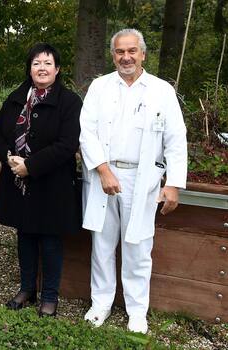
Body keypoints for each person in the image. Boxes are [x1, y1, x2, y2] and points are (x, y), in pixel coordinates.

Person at [79, 29, 187, 334]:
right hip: (103, 175)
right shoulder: (100, 87)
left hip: (143, 180)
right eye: (119, 52)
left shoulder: (161, 90)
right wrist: (102, 170)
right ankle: (100, 304)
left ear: (142, 54)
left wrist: (173, 184)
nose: (125, 57)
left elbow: (176, 139)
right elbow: (86, 132)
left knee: (138, 247)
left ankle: (137, 311)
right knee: (101, 244)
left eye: (131, 51)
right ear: (112, 54)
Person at [0, 43, 82, 317]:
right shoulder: (17, 97)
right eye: (36, 63)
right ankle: (27, 288)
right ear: (29, 68)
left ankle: (50, 296)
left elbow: (67, 145)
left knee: (50, 240)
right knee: (25, 235)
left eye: (47, 63)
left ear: (58, 69)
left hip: (51, 182)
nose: (41, 68)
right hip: (18, 180)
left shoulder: (70, 102)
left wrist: (30, 165)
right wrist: (9, 158)